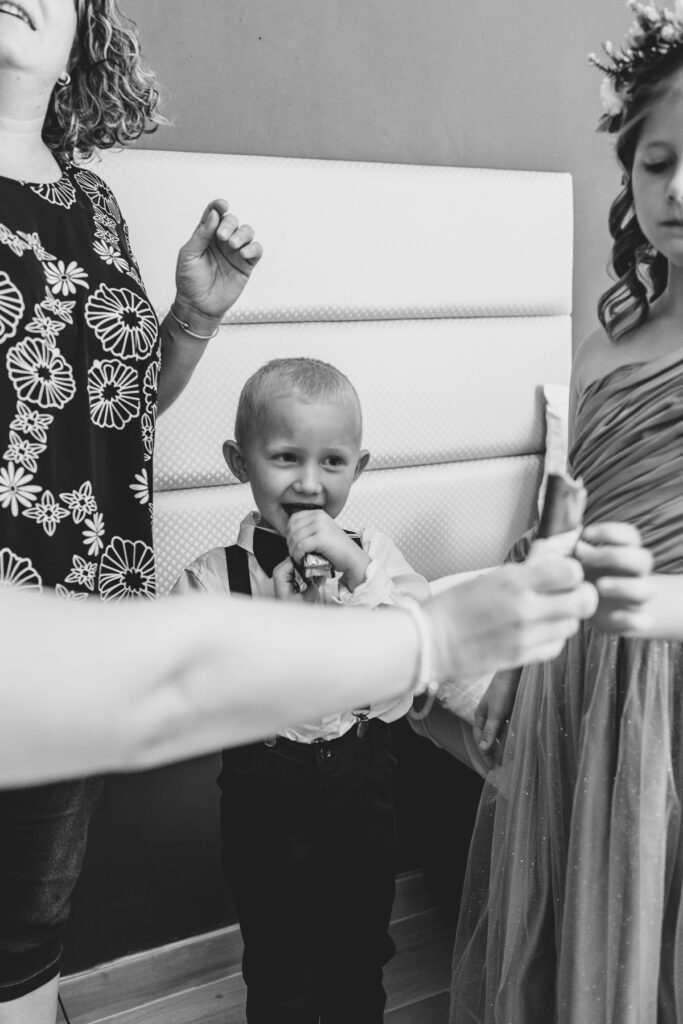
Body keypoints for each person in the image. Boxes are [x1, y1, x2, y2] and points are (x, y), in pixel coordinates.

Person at [0, 1, 262, 1020]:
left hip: (81, 625)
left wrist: (194, 312)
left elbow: (114, 410)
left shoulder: (95, 204)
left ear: (83, 42)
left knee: (27, 923)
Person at [450, 4, 683, 1022]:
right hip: (573, 664)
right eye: (655, 163)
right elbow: (564, 505)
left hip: (667, 663)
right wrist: (503, 656)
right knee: (575, 918)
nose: (674, 190)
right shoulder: (605, 334)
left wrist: (663, 609)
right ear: (625, 178)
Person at [172, 357, 430, 1023]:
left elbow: (413, 665)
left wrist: (358, 581)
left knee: (361, 952)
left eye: (333, 462)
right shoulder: (211, 578)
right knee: (277, 964)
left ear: (359, 467)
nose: (309, 484)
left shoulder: (373, 555)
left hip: (361, 782)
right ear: (240, 461)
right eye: (285, 457)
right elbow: (196, 696)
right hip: (265, 795)